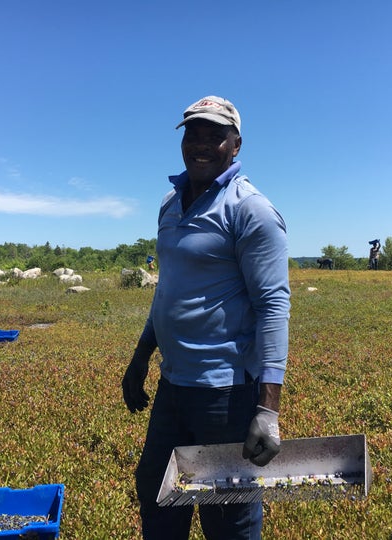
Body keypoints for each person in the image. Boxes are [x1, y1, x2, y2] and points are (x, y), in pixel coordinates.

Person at [122, 96, 291, 540]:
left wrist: (267, 409)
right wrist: (141, 356)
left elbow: (273, 306)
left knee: (226, 512)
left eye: (214, 135)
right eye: (192, 133)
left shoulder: (251, 210)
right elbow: (168, 290)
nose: (200, 144)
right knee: (156, 491)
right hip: (173, 384)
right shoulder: (169, 204)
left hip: (225, 393)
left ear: (235, 145)